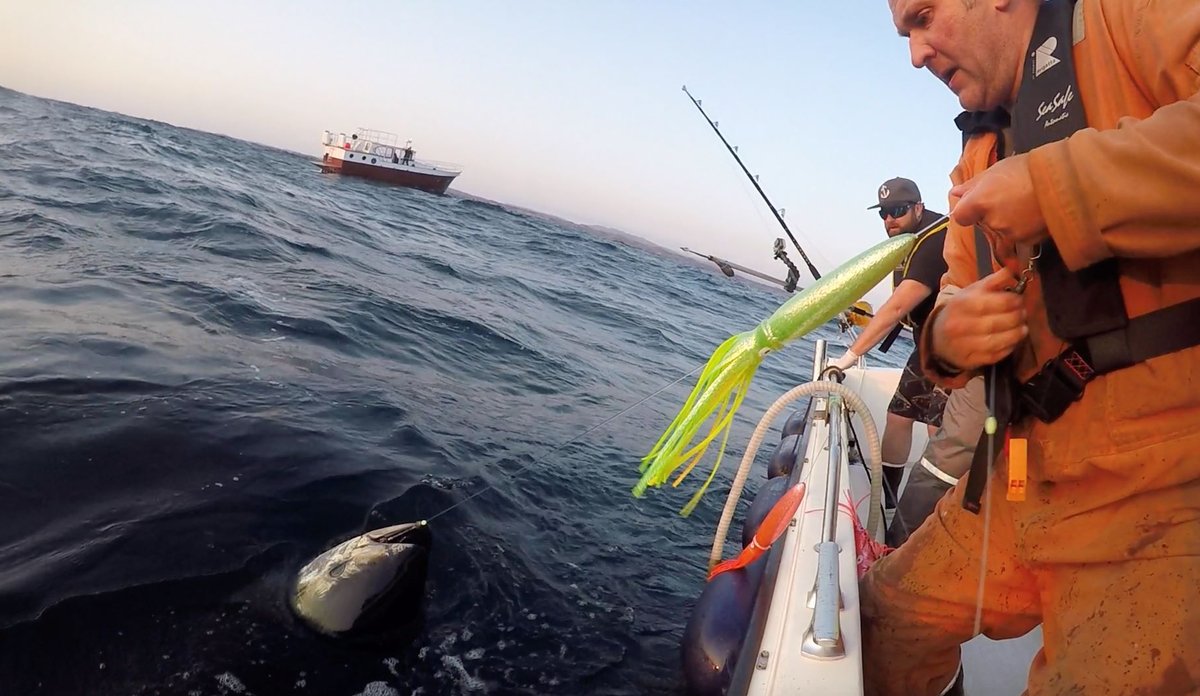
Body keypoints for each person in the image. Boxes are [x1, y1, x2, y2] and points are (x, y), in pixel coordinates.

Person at [860, 0, 1200, 694]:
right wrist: (947, 338)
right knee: (882, 622)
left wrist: (1056, 186)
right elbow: (951, 299)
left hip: (1162, 499)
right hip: (1017, 483)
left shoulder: (1129, 15)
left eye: (923, 18)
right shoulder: (976, 159)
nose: (916, 55)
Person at [830, 177, 950, 514]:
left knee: (938, 427)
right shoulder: (908, 238)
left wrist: (850, 357)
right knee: (899, 416)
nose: (889, 220)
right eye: (883, 213)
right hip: (928, 341)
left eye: (897, 210)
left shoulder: (934, 240)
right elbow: (905, 309)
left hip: (957, 347)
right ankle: (888, 499)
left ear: (918, 208)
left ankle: (934, 511)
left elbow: (898, 305)